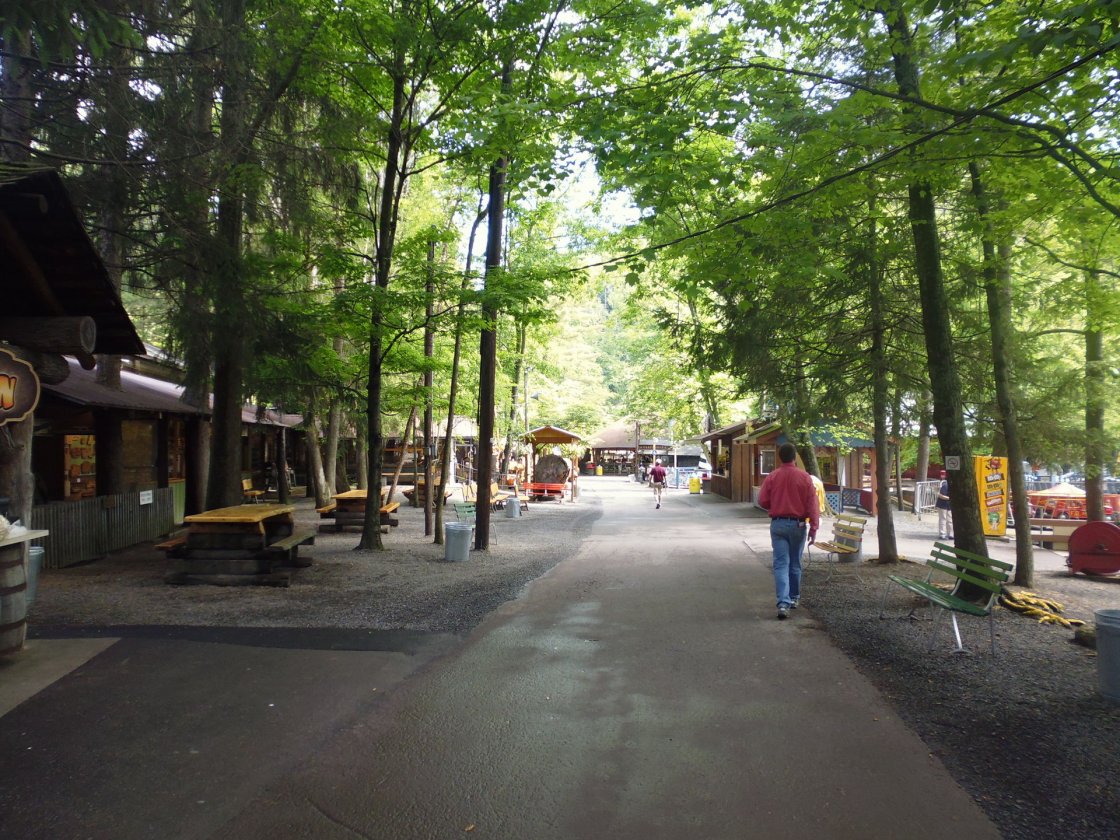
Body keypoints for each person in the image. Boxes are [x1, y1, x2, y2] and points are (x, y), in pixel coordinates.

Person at [757, 443, 820, 620]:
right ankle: (794, 598)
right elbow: (812, 504)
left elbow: (762, 500)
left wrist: (776, 504)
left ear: (780, 457)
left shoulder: (772, 476)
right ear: (794, 457)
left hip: (778, 524)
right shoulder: (805, 477)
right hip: (798, 525)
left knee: (780, 564)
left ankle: (783, 604)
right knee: (795, 563)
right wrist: (813, 528)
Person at [936, 470, 953, 539]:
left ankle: (950, 534)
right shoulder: (945, 485)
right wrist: (950, 498)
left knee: (949, 520)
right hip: (942, 504)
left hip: (948, 504)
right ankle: (942, 534)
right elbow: (941, 495)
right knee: (943, 519)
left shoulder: (946, 484)